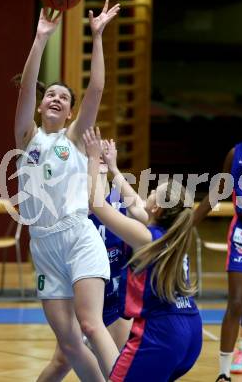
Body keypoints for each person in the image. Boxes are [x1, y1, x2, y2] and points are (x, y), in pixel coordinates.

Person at [14, 1, 120, 381]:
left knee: (91, 326)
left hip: (78, 238)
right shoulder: (28, 137)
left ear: (71, 113)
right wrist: (40, 39)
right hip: (43, 245)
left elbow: (97, 87)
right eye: (51, 94)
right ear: (41, 105)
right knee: (71, 343)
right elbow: (27, 85)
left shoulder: (73, 138)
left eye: (64, 97)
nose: (56, 98)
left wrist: (97, 36)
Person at [84, 127, 202, 382]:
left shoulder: (147, 236)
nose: (145, 194)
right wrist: (114, 168)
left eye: (152, 192)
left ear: (158, 207)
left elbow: (97, 204)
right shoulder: (172, 233)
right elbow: (136, 205)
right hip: (191, 327)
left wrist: (93, 159)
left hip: (163, 331)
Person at [37, 154, 132, 382]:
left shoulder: (122, 197)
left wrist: (114, 168)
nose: (98, 161)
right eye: (92, 157)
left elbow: (144, 217)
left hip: (115, 296)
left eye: (101, 158)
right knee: (62, 361)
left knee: (115, 367)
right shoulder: (71, 201)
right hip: (82, 295)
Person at [193, 103, 242, 382]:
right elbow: (215, 193)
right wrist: (189, 224)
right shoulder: (237, 154)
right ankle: (223, 372)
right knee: (236, 302)